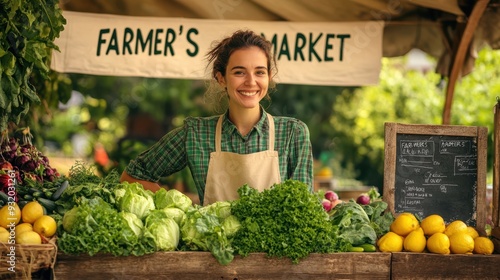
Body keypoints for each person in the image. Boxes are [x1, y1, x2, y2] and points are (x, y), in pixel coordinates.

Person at [120, 29, 314, 205]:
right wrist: (180, 209)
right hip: (212, 244)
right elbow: (133, 175)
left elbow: (303, 208)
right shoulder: (196, 134)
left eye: (259, 72)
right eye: (239, 72)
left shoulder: (292, 133)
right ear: (221, 78)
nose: (251, 81)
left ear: (269, 77)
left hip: (272, 245)